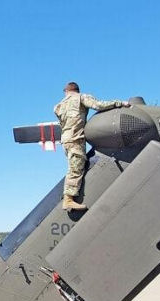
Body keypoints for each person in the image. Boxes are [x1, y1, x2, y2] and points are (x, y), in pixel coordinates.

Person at [53, 82, 129, 211]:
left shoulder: (59, 106)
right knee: (75, 169)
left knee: (76, 165)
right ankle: (68, 199)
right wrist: (119, 103)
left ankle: (71, 196)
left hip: (66, 140)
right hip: (76, 139)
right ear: (76, 90)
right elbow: (98, 105)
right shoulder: (81, 97)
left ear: (66, 91)